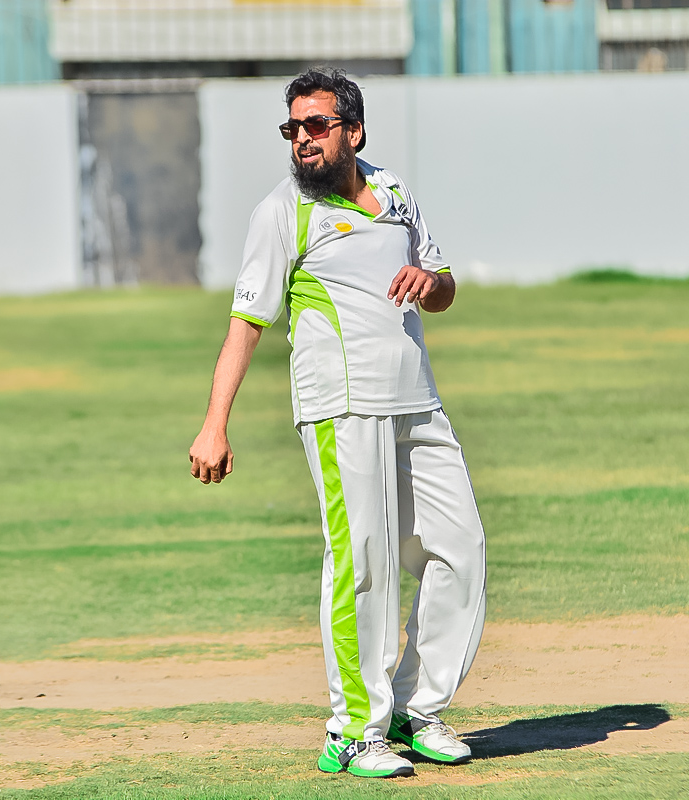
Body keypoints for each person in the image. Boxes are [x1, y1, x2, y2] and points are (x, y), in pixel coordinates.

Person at [188, 67, 487, 780]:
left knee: (461, 549)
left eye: (317, 126)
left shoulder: (394, 191)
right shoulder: (281, 211)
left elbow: (442, 284)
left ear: (353, 131)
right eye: (292, 128)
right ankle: (354, 730)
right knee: (364, 563)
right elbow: (246, 323)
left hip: (416, 400)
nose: (302, 139)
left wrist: (431, 282)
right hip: (340, 405)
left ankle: (417, 709)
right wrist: (214, 424)